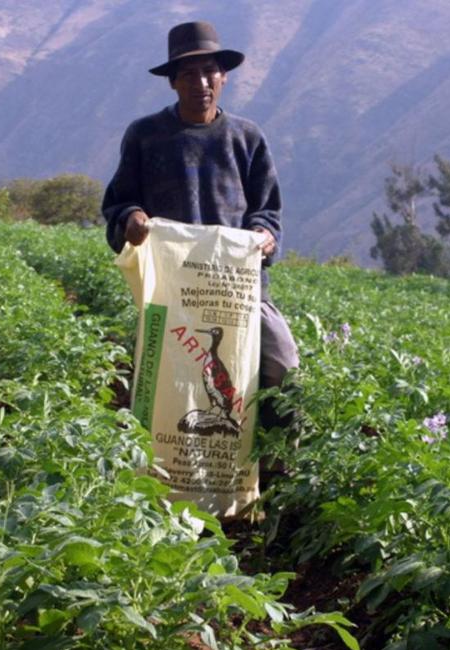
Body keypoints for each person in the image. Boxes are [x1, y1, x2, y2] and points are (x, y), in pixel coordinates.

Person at [102, 20, 299, 417]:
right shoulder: (146, 136)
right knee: (160, 383)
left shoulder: (247, 138)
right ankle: (158, 468)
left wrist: (264, 235)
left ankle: (277, 468)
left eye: (209, 71)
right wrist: (133, 218)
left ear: (224, 77)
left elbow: (267, 210)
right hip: (173, 289)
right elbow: (118, 203)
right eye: (189, 74)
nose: (201, 82)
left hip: (239, 288)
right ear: (173, 82)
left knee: (283, 367)